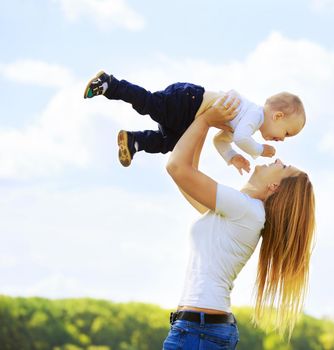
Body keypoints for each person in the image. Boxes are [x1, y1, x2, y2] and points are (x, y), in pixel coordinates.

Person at [162, 95, 315, 349]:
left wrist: (206, 118)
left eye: (283, 165)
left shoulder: (245, 210)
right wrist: (206, 123)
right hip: (200, 329)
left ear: (274, 186)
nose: (277, 159)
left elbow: (177, 167)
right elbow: (187, 175)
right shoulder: (243, 211)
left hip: (198, 331)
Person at [83, 71, 306, 173]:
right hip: (189, 102)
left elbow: (221, 140)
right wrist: (259, 150)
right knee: (150, 104)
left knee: (171, 143)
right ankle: (110, 85)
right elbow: (240, 138)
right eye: (286, 133)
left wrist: (232, 157)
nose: (282, 140)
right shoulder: (255, 116)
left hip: (190, 116)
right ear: (278, 116)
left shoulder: (245, 123)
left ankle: (134, 141)